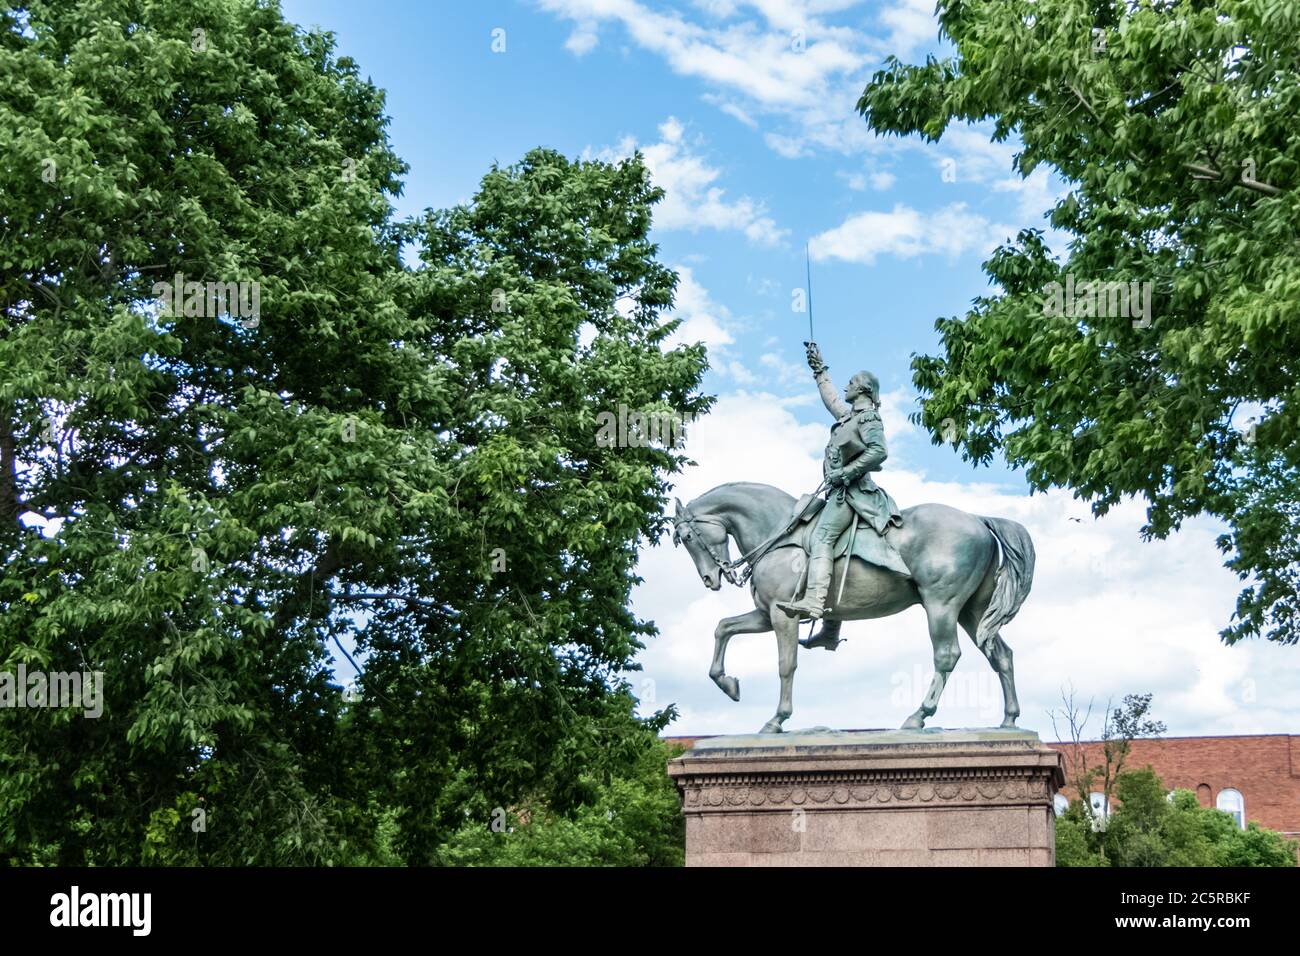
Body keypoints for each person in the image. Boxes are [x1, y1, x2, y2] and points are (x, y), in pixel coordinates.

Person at [777, 341, 908, 620]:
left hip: (853, 493)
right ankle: (831, 626)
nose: (846, 386)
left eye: (851, 382)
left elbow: (879, 452)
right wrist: (819, 369)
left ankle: (813, 601)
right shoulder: (849, 416)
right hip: (838, 492)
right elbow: (831, 398)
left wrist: (846, 473)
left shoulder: (869, 417)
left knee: (822, 538)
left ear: (863, 390)